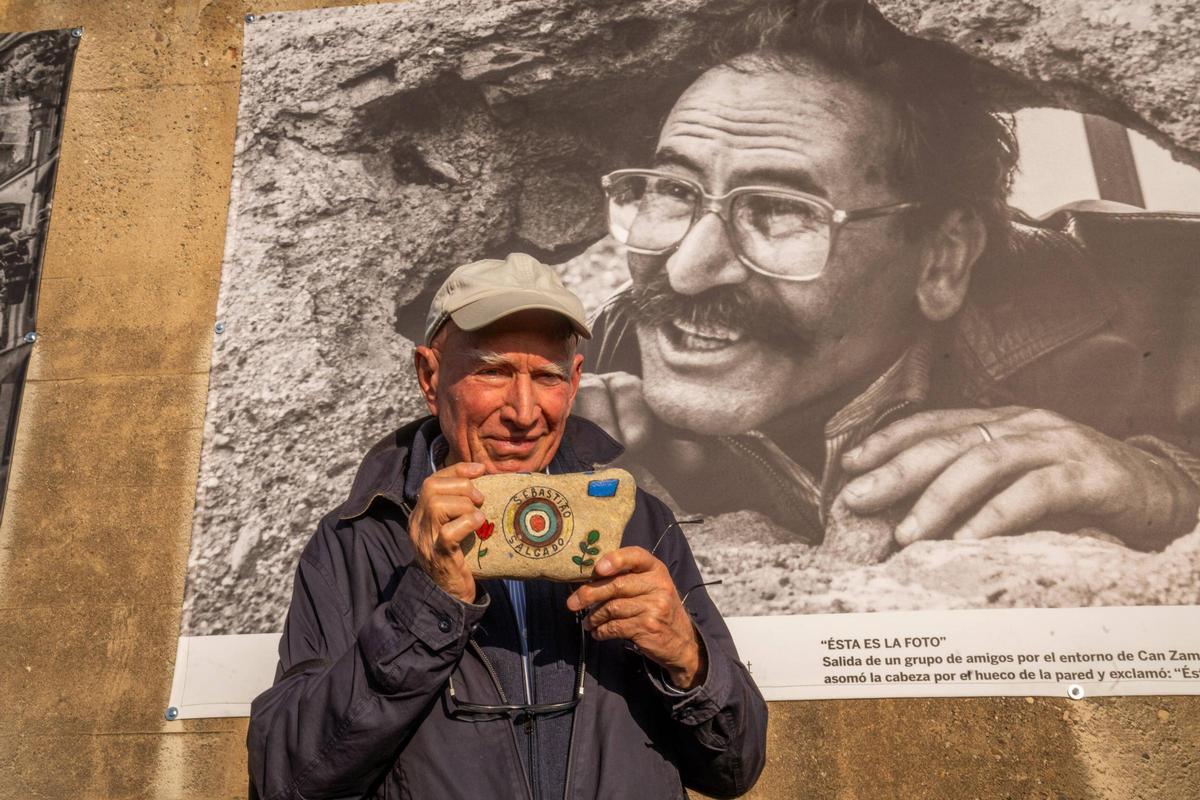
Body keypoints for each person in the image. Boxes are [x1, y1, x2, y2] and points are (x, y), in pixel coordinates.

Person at [577, 0, 1200, 553]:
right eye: (673, 191)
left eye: (781, 209)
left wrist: (1168, 489)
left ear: (941, 259)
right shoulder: (602, 349)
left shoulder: (1171, 303)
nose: (686, 273)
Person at [247, 252, 767, 799]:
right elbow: (289, 779)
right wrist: (426, 604)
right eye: (492, 371)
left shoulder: (640, 523)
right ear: (429, 376)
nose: (524, 412)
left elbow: (735, 768)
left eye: (547, 376)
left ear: (575, 381)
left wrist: (687, 659)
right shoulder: (357, 538)